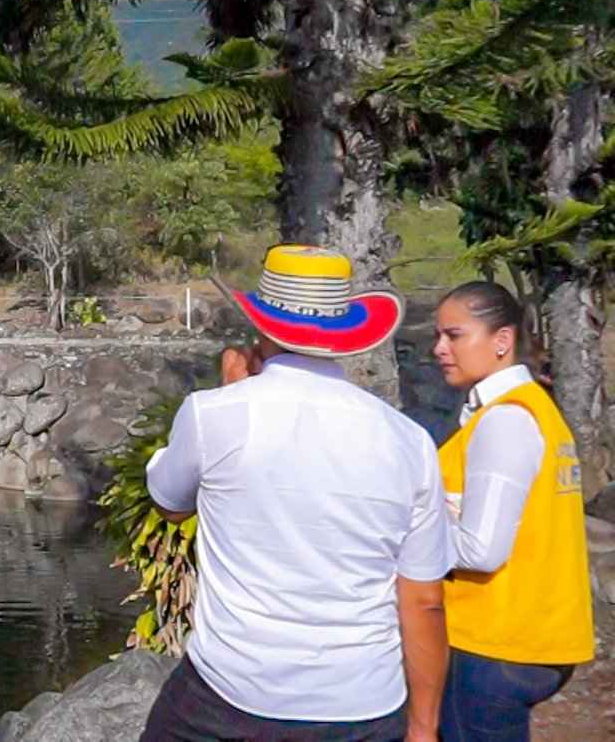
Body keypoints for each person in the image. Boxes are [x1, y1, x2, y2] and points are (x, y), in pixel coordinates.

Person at [141, 244, 454, 741]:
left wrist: (228, 392)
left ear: (262, 325)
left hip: (232, 694)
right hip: (364, 704)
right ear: (345, 332)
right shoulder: (408, 442)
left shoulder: (214, 414)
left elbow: (170, 504)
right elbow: (424, 601)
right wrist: (423, 727)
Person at [431, 281, 594, 740]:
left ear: (502, 340)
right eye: (439, 336)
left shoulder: (505, 420)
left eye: (454, 335)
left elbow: (481, 550)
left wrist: (409, 530)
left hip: (494, 641)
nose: (439, 348)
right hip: (537, 634)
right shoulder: (533, 408)